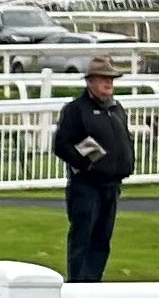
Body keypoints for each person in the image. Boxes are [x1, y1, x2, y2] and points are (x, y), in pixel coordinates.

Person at [53, 56, 134, 283]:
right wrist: (86, 163)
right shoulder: (76, 110)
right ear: (90, 82)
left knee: (102, 239)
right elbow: (62, 145)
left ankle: (94, 284)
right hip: (86, 186)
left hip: (112, 185)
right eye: (104, 79)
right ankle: (78, 283)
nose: (109, 84)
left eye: (111, 79)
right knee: (83, 237)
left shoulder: (116, 109)